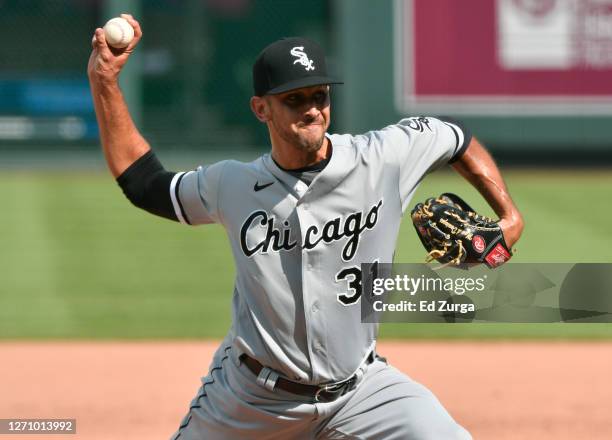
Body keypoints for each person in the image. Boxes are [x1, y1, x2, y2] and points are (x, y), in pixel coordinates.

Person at [88, 15, 524, 440]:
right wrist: (105, 82)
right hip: (251, 400)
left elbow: (455, 138)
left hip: (361, 392)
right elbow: (145, 184)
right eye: (295, 99)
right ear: (261, 109)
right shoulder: (231, 184)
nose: (313, 109)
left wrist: (509, 217)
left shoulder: (382, 158)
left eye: (320, 96)